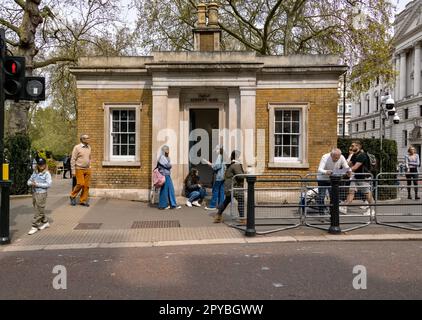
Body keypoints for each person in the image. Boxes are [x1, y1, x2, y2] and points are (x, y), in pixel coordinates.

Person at [341, 141, 375, 216]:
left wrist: (343, 172)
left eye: (353, 146)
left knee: (367, 193)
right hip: (356, 177)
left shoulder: (362, 155)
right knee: (351, 191)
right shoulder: (354, 155)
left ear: (358, 146)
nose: (351, 147)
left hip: (363, 177)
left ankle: (372, 209)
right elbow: (348, 165)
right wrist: (341, 169)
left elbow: (355, 167)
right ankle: (344, 207)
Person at [213, 150, 245, 224]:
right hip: (234, 187)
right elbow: (240, 177)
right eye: (240, 156)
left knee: (226, 201)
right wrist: (247, 174)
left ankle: (218, 216)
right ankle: (242, 219)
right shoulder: (236, 165)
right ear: (237, 157)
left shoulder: (232, 164)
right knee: (241, 201)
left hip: (229, 187)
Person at [317, 148, 351, 214]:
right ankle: (321, 212)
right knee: (321, 196)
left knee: (333, 196)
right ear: (331, 155)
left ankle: (332, 212)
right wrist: (326, 171)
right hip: (322, 178)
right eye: (335, 158)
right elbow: (319, 169)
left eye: (338, 158)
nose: (336, 159)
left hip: (332, 179)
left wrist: (349, 171)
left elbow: (346, 167)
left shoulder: (341, 157)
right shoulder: (325, 157)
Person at [27, 158, 52, 235]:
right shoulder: (35, 173)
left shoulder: (47, 174)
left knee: (38, 210)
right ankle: (45, 222)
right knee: (38, 209)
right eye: (40, 164)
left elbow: (48, 184)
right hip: (34, 193)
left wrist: (37, 184)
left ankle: (34, 226)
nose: (41, 166)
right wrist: (31, 183)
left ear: (45, 164)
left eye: (43, 164)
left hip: (42, 194)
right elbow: (28, 181)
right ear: (38, 165)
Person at [70, 134, 92, 207]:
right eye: (87, 138)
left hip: (87, 169)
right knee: (80, 183)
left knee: (86, 186)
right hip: (79, 168)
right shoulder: (77, 147)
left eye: (88, 138)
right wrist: (73, 171)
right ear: (82, 139)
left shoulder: (89, 147)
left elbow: (89, 158)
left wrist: (90, 166)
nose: (89, 139)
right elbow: (73, 159)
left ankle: (83, 200)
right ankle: (72, 196)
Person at [157, 145, 181, 209]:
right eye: (167, 150)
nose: (168, 151)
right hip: (165, 175)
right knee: (168, 190)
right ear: (164, 151)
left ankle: (167, 205)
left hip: (166, 175)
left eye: (168, 150)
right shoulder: (162, 157)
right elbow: (168, 166)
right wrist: (169, 165)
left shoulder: (164, 157)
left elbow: (168, 165)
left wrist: (169, 164)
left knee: (167, 190)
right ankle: (167, 205)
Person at [204, 145, 225, 210]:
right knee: (221, 191)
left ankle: (212, 206)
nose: (215, 151)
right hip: (223, 176)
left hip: (219, 177)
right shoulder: (224, 157)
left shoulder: (219, 156)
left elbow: (217, 166)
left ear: (219, 150)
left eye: (216, 150)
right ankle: (221, 206)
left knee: (215, 191)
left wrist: (209, 164)